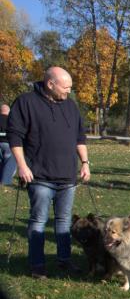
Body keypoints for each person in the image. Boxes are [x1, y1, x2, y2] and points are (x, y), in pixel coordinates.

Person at [8, 67, 91, 279]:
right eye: (66, 87)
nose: (68, 92)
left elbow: (79, 138)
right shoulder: (25, 102)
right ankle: (37, 265)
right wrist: (22, 166)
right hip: (39, 176)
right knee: (38, 221)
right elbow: (15, 138)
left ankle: (64, 260)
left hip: (67, 177)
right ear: (50, 84)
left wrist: (85, 162)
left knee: (63, 221)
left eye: (70, 88)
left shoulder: (70, 106)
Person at [0, 104, 17, 185]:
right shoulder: (12, 120)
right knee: (9, 163)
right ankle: (5, 182)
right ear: (9, 111)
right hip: (8, 144)